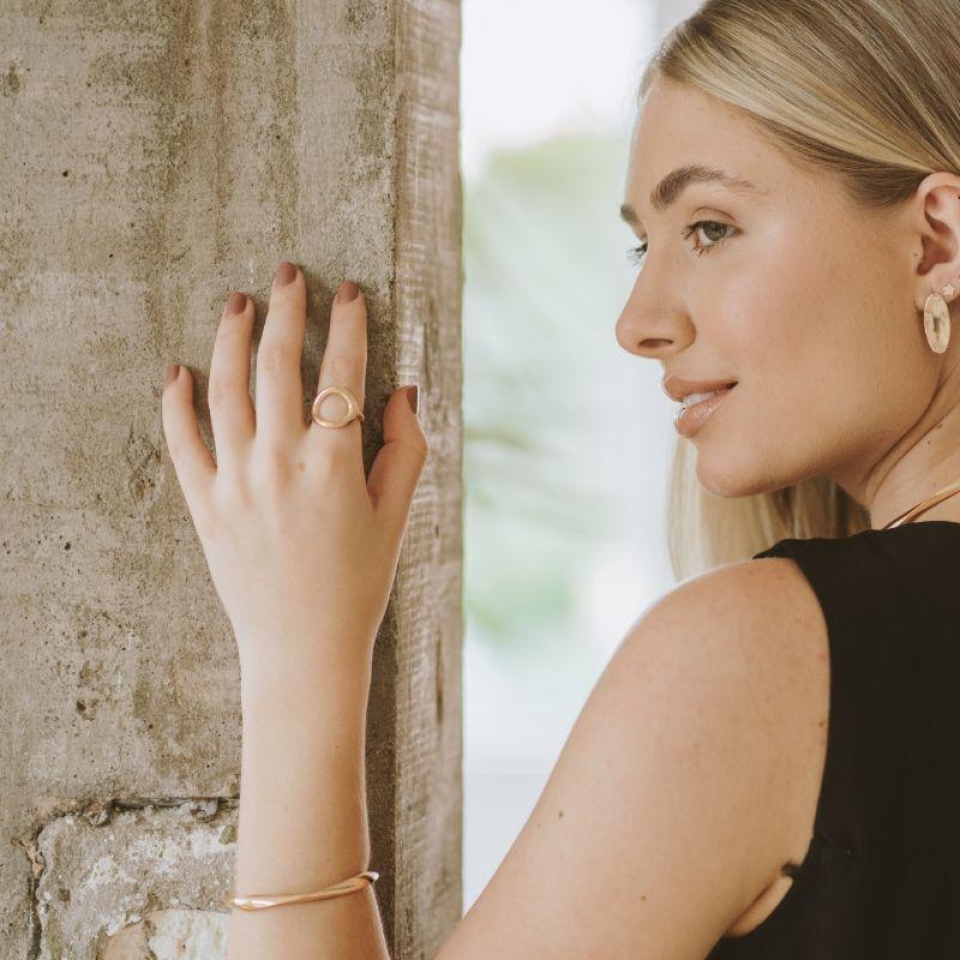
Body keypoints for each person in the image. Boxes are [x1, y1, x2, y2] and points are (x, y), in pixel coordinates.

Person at [160, 0, 960, 957]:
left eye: (710, 228)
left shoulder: (757, 663)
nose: (637, 323)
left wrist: (300, 654)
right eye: (642, 244)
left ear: (936, 242)